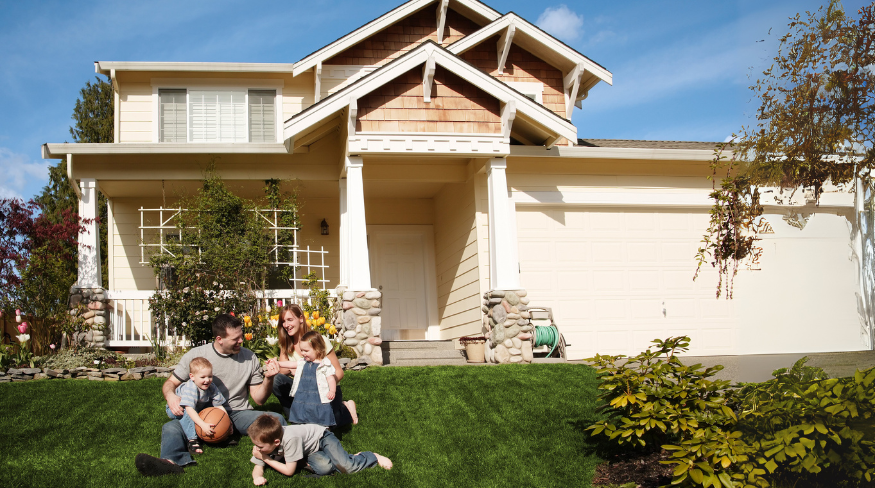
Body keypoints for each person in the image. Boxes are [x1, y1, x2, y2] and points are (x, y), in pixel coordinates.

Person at [135, 313, 287, 476]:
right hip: (199, 414)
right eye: (235, 339)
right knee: (170, 427)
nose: (241, 341)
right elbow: (170, 383)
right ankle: (170, 463)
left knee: (275, 419)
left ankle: (286, 455)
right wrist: (171, 396)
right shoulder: (196, 356)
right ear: (219, 339)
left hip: (236, 412)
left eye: (241, 336)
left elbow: (259, 399)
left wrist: (268, 379)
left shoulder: (249, 357)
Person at [270, 304, 358, 426]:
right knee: (277, 381)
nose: (286, 325)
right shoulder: (286, 343)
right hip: (305, 390)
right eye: (283, 321)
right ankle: (296, 419)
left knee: (333, 421)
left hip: (326, 388)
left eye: (290, 320)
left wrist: (326, 387)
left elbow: (339, 372)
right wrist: (279, 364)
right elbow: (283, 371)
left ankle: (346, 407)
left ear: (301, 318)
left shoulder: (319, 341)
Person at [248, 414, 391, 484]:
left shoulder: (290, 439)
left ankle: (371, 456)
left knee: (347, 468)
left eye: (260, 447)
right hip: (309, 449)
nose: (257, 449)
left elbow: (289, 471)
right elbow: (258, 465)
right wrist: (257, 477)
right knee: (325, 469)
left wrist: (265, 458)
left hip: (322, 437)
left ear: (276, 442)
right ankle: (343, 457)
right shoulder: (266, 444)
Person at [164, 356, 228, 455]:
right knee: (186, 412)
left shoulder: (212, 387)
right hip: (176, 409)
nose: (207, 380)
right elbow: (189, 409)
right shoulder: (191, 387)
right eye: (202, 377)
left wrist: (227, 424)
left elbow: (219, 406)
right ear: (192, 376)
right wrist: (203, 425)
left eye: (210, 376)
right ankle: (192, 440)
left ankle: (223, 436)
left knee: (211, 411)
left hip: (196, 406)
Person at [279, 330, 338, 426]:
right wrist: (278, 363)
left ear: (318, 349)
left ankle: (323, 429)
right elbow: (290, 363)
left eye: (306, 351)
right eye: (301, 350)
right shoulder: (303, 362)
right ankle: (303, 427)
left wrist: (332, 391)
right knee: (303, 412)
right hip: (303, 396)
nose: (303, 353)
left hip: (318, 397)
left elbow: (331, 379)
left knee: (319, 414)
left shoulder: (325, 364)